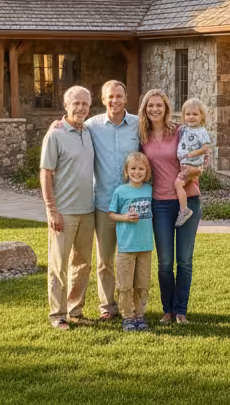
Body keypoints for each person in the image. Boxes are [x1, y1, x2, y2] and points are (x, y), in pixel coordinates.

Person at [52, 80, 140, 321]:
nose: (115, 100)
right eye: (110, 96)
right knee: (105, 262)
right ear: (102, 100)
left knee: (133, 255)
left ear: (125, 98)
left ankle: (131, 306)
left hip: (133, 205)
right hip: (103, 205)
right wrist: (59, 123)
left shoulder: (137, 125)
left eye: (119, 96)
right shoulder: (92, 126)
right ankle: (107, 308)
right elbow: (71, 125)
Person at [139, 88, 202, 325]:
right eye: (150, 105)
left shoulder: (180, 131)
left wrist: (191, 172)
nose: (154, 109)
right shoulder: (142, 136)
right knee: (165, 263)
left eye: (159, 105)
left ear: (166, 108)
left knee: (184, 260)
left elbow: (202, 161)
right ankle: (168, 310)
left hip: (188, 200)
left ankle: (181, 311)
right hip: (160, 205)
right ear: (145, 109)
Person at [39, 85, 96, 330]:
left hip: (88, 210)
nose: (81, 108)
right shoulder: (55, 134)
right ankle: (57, 314)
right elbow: (46, 173)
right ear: (66, 105)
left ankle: (75, 310)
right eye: (76, 103)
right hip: (63, 211)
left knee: (83, 264)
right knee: (59, 265)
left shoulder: (90, 131)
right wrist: (52, 209)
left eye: (85, 103)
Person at [108, 152, 154, 332]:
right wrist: (125, 217)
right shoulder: (121, 191)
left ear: (147, 171)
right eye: (133, 168)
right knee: (125, 284)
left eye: (141, 169)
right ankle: (127, 316)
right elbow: (111, 214)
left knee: (142, 282)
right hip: (126, 246)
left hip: (145, 245)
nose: (137, 172)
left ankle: (140, 315)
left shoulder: (150, 190)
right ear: (126, 171)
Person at [174, 98, 212, 228]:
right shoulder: (185, 128)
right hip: (186, 164)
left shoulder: (201, 131)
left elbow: (206, 148)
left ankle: (184, 210)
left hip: (192, 165)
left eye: (195, 114)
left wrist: (193, 154)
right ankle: (184, 208)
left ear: (202, 116)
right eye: (188, 114)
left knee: (178, 184)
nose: (191, 117)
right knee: (181, 184)